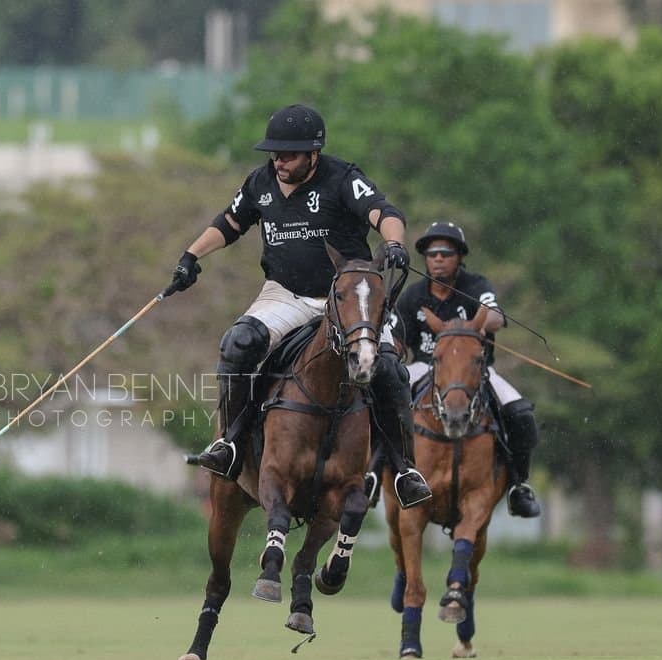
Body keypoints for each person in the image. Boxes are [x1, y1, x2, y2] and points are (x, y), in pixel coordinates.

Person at [166, 103, 431, 508]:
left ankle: (404, 468)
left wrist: (394, 244)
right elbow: (229, 223)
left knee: (391, 368)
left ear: (314, 154)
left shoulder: (342, 178)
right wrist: (191, 256)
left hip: (348, 300)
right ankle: (229, 444)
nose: (279, 161)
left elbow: (385, 212)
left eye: (288, 154)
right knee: (238, 343)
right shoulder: (260, 183)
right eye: (274, 153)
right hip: (286, 294)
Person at [382, 220, 541, 517]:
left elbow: (494, 315)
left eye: (446, 252)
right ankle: (374, 473)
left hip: (474, 373)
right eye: (432, 254)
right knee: (384, 402)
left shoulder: (476, 286)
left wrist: (481, 323)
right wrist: (393, 351)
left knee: (521, 413)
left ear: (460, 258)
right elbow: (397, 339)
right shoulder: (413, 296)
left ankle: (519, 485)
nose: (438, 258)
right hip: (425, 367)